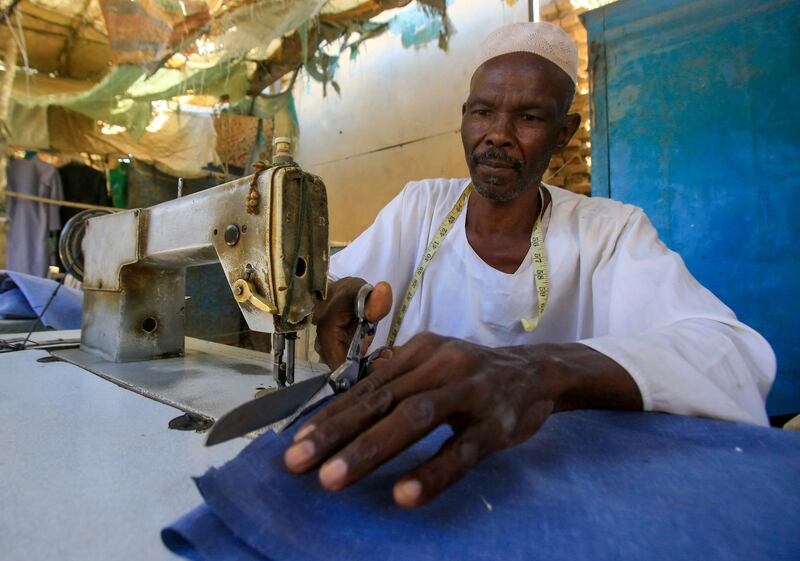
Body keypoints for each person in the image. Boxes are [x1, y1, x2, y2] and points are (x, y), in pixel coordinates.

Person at [284, 22, 776, 509]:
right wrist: (333, 294)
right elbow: (327, 285)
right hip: (404, 466)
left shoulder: (609, 233)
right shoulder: (419, 207)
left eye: (529, 118)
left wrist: (535, 371)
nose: (497, 135)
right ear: (463, 118)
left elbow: (732, 356)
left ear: (565, 133)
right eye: (482, 112)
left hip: (555, 489)